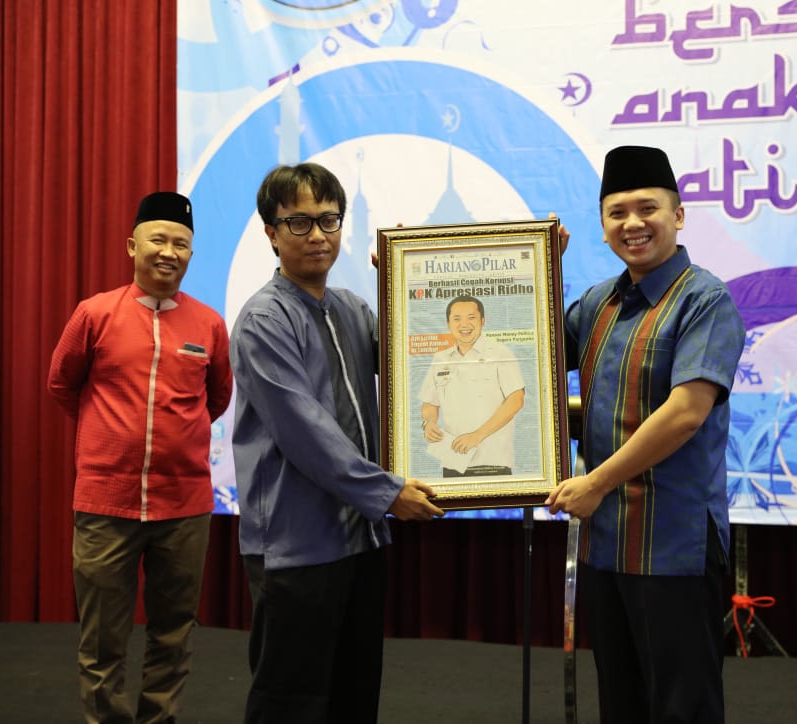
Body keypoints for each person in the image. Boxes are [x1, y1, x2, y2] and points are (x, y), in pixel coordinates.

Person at [230, 162, 444, 723]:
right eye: (299, 222)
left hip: (360, 541)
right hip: (297, 545)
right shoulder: (264, 319)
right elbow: (305, 432)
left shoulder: (350, 307)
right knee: (291, 704)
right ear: (271, 232)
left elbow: (417, 353)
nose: (318, 234)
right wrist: (387, 493)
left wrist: (407, 276)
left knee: (354, 695)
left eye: (329, 219)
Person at [546, 145, 746, 723]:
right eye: (617, 212)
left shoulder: (704, 300)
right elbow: (526, 352)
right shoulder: (597, 303)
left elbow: (686, 413)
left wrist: (595, 483)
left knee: (682, 707)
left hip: (673, 544)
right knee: (622, 703)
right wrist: (538, 271)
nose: (632, 223)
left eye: (647, 208)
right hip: (607, 542)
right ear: (603, 225)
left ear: (678, 215)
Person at [47, 191, 233, 724]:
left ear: (191, 253)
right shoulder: (95, 314)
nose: (169, 252)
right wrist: (108, 435)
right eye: (158, 240)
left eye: (181, 244)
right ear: (133, 246)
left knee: (173, 635)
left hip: (184, 507)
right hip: (106, 504)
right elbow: (62, 385)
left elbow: (216, 399)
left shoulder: (209, 325)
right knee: (102, 641)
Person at [419, 295, 526, 476]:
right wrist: (428, 423)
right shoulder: (440, 359)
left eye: (471, 317)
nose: (464, 324)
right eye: (457, 319)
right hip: (453, 460)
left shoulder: (500, 353)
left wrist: (477, 436)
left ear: (482, 321)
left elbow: (516, 400)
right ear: (448, 324)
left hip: (492, 462)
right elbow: (429, 403)